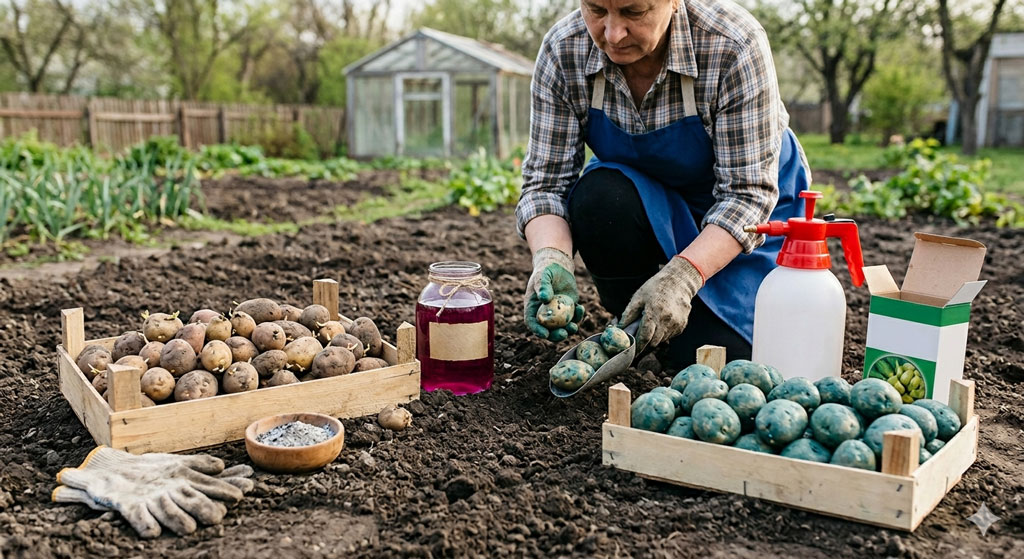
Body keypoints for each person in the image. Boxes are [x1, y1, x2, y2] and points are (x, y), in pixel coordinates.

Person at [519, 0, 810, 367]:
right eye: (595, 9)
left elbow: (746, 196)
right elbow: (545, 185)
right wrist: (552, 258)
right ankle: (633, 320)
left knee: (713, 357)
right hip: (651, 199)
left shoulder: (732, 43)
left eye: (633, 12)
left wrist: (683, 277)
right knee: (600, 199)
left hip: (747, 221)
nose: (612, 34)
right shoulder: (564, 49)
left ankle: (682, 318)